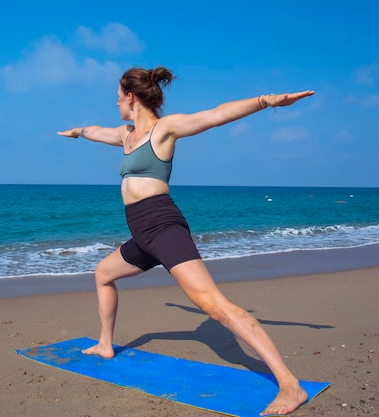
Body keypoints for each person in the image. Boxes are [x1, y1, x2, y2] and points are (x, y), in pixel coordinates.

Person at [57, 66, 314, 416]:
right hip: (142, 234)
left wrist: (267, 100)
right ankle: (105, 343)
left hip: (163, 226)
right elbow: (97, 131)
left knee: (214, 305)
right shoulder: (126, 134)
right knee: (103, 273)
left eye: (117, 96)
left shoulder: (165, 129)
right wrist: (78, 132)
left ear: (130, 96)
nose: (115, 102)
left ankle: (290, 385)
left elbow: (214, 115)